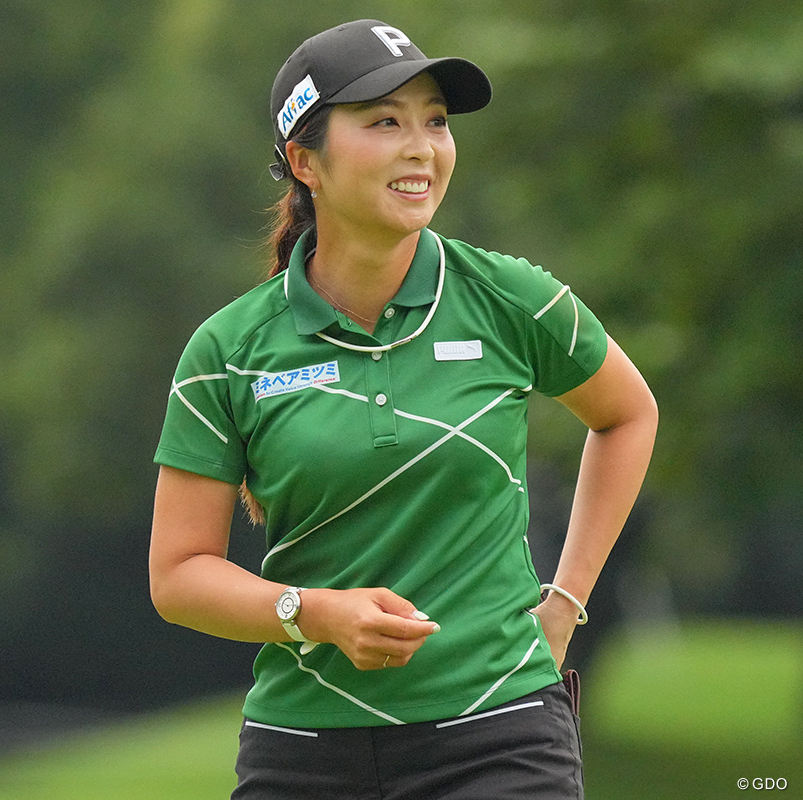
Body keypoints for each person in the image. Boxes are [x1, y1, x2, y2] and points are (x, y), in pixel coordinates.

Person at [149, 18, 657, 800]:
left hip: (502, 734)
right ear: (304, 161)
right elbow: (178, 575)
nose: (422, 146)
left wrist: (566, 602)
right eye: (384, 121)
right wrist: (312, 613)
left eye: (436, 122)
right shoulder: (228, 351)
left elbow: (627, 414)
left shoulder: (509, 297)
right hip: (302, 752)